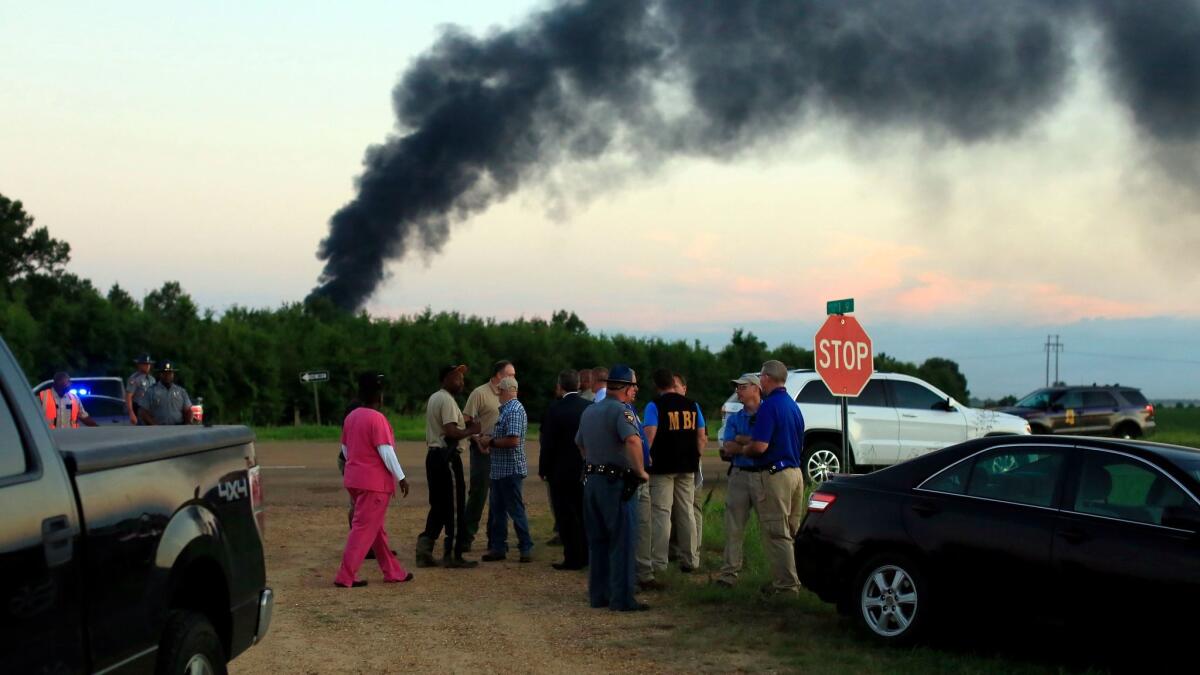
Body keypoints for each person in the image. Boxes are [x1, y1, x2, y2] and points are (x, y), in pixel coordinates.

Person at [576, 365, 650, 612]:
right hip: (615, 483)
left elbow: (580, 444)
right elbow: (632, 440)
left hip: (592, 482)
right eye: (634, 385)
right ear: (626, 388)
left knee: (597, 542)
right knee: (622, 541)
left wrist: (593, 462)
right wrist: (640, 471)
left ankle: (599, 595)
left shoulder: (590, 411)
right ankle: (622, 599)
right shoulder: (623, 412)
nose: (636, 390)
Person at [727, 360, 805, 595]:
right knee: (791, 530)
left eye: (761, 376)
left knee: (776, 531)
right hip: (795, 473)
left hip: (776, 475)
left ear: (766, 379)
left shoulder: (770, 406)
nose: (760, 380)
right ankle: (793, 579)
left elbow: (760, 446)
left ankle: (786, 586)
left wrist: (742, 448)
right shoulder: (792, 405)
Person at [334, 373, 414, 588]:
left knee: (375, 530)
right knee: (363, 529)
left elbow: (345, 449)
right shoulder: (377, 418)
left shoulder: (351, 417)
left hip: (354, 480)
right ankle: (345, 575)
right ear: (379, 395)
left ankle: (393, 571)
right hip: (374, 484)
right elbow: (386, 452)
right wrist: (401, 477)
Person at [417, 365, 481, 569]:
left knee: (439, 505)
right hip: (447, 458)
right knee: (454, 506)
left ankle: (424, 549)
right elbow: (451, 431)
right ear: (445, 379)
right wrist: (472, 429)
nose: (461, 382)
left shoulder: (436, 397)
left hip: (434, 457)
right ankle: (453, 554)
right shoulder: (445, 399)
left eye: (462, 378)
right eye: (456, 378)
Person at [643, 369, 706, 575]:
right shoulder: (692, 405)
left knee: (662, 513)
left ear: (656, 385)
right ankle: (691, 559)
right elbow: (701, 436)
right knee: (686, 511)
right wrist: (696, 456)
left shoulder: (655, 406)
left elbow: (649, 435)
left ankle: (659, 562)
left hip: (662, 467)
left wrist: (645, 459)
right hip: (687, 466)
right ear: (672, 383)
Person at [716, 374, 765, 587]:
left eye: (742, 387)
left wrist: (742, 441)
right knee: (733, 526)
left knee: (771, 528)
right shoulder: (736, 417)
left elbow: (765, 446)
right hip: (739, 474)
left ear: (756, 388)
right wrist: (751, 445)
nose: (738, 391)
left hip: (764, 475)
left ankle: (775, 576)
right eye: (737, 388)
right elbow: (727, 446)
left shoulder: (767, 414)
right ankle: (729, 574)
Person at [540, 369, 591, 570]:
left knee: (565, 515)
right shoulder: (589, 407)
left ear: (560, 386)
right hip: (584, 468)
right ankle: (587, 554)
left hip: (559, 471)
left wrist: (544, 468)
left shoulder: (554, 409)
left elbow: (548, 442)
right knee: (583, 512)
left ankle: (572, 557)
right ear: (579, 385)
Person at [462, 360, 515, 552]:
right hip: (482, 452)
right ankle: (466, 537)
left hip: (502, 451)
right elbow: (466, 420)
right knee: (479, 493)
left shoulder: (510, 395)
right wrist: (477, 439)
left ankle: (496, 539)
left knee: (499, 496)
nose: (514, 378)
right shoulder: (479, 393)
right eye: (511, 375)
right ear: (499, 375)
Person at [479, 377, 534, 562]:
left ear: (510, 390)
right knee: (498, 511)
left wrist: (491, 441)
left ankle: (525, 547)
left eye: (500, 390)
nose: (498, 394)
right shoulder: (507, 410)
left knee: (515, 510)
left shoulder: (515, 410)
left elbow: (513, 440)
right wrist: (490, 440)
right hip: (500, 470)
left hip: (510, 470)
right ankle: (498, 547)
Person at [139, 361, 194, 426]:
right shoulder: (151, 391)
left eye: (170, 373)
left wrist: (188, 423)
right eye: (164, 373)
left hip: (178, 428)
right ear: (160, 374)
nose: (167, 375)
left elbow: (188, 411)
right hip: (159, 429)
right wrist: (153, 425)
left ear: (173, 374)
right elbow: (143, 412)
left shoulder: (181, 391)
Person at [125, 353, 155, 425]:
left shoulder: (152, 379)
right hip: (139, 410)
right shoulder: (134, 379)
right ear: (139, 365)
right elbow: (128, 397)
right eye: (145, 364)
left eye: (149, 364)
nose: (147, 366)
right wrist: (131, 413)